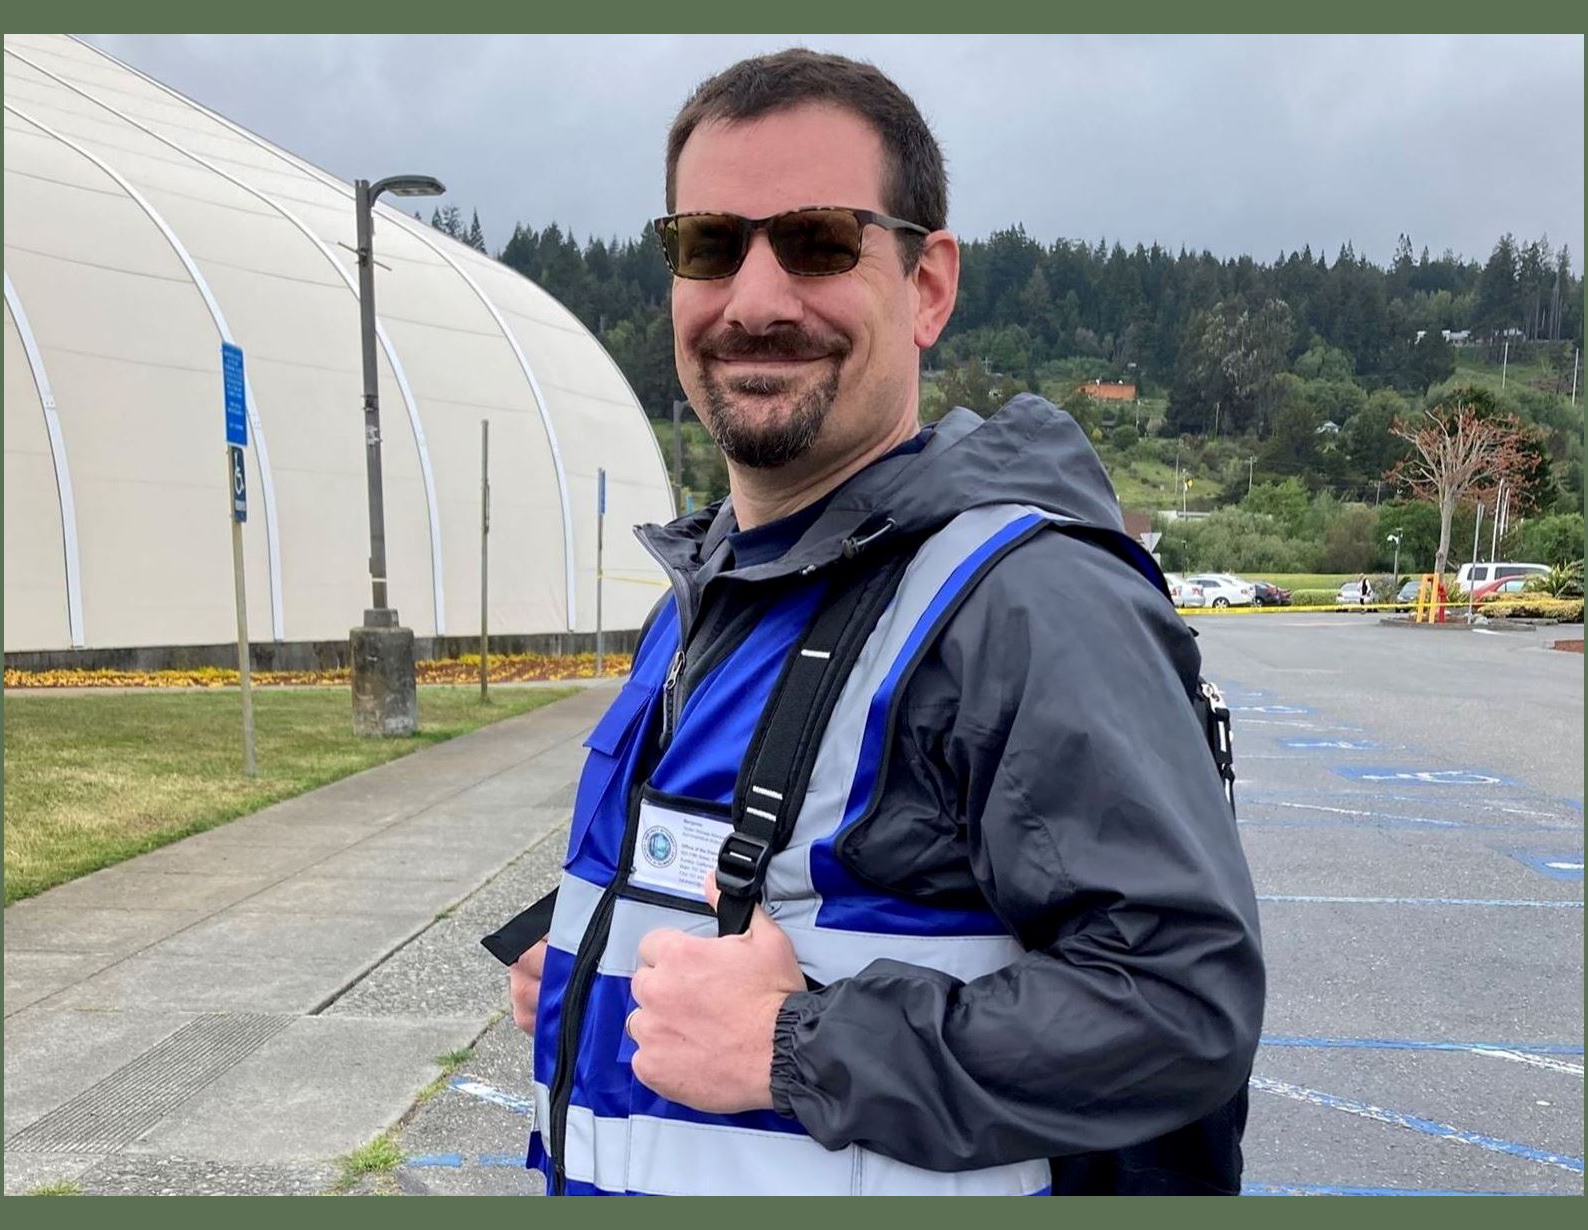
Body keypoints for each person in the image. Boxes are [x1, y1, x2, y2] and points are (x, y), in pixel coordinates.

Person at [506, 48, 1264, 1196]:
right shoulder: (713, 587)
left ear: (926, 285)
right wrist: (588, 966)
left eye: (817, 241)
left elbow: (1175, 1004)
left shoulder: (1021, 603)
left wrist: (791, 1048)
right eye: (708, 245)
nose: (753, 301)